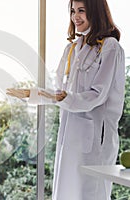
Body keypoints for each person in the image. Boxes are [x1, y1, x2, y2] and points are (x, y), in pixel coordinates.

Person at [7, 0, 125, 199]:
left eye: (81, 11)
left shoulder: (110, 47)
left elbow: (98, 94)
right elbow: (59, 93)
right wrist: (32, 94)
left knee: (90, 193)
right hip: (69, 136)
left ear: (96, 12)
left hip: (96, 139)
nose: (75, 16)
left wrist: (65, 97)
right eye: (72, 11)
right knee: (66, 191)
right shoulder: (72, 49)